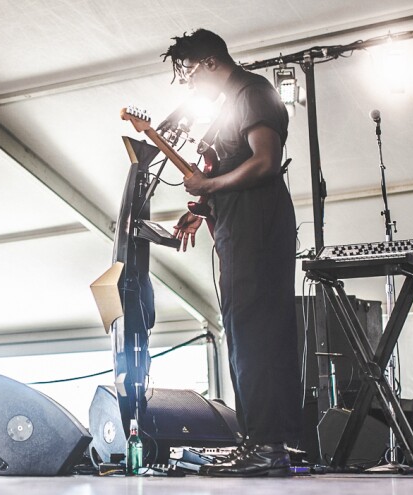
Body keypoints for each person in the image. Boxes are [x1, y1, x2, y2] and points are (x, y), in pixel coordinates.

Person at [161, 29, 302, 477]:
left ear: (209, 63)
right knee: (245, 331)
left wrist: (210, 186)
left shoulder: (252, 91)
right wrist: (200, 209)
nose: (189, 84)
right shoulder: (231, 102)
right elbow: (228, 165)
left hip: (256, 226)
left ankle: (266, 445)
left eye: (189, 73)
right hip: (240, 226)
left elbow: (264, 161)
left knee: (254, 332)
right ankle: (266, 442)